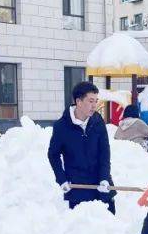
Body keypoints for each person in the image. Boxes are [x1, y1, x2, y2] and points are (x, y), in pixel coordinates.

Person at [48, 81, 115, 213]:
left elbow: (105, 152)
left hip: (101, 186)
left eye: (96, 101)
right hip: (78, 188)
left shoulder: (98, 121)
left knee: (109, 222)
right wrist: (62, 179)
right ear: (78, 101)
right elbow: (53, 154)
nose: (94, 105)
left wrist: (104, 178)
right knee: (83, 224)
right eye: (90, 101)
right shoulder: (61, 126)